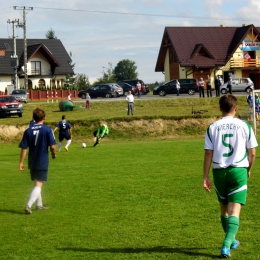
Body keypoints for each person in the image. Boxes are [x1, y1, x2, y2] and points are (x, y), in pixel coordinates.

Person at [203, 94, 258, 258]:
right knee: (235, 210)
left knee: (224, 209)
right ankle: (226, 245)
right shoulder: (245, 126)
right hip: (238, 170)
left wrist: (205, 176)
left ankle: (232, 240)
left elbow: (208, 154)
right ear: (236, 108)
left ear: (220, 108)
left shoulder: (212, 127)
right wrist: (248, 169)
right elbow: (253, 153)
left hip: (219, 171)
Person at [19, 108, 56, 214]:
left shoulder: (28, 130)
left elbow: (24, 148)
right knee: (39, 183)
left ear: (33, 118)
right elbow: (53, 147)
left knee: (36, 182)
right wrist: (54, 155)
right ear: (44, 118)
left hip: (32, 161)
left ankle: (39, 205)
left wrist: (21, 162)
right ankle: (28, 205)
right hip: (42, 160)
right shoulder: (47, 129)